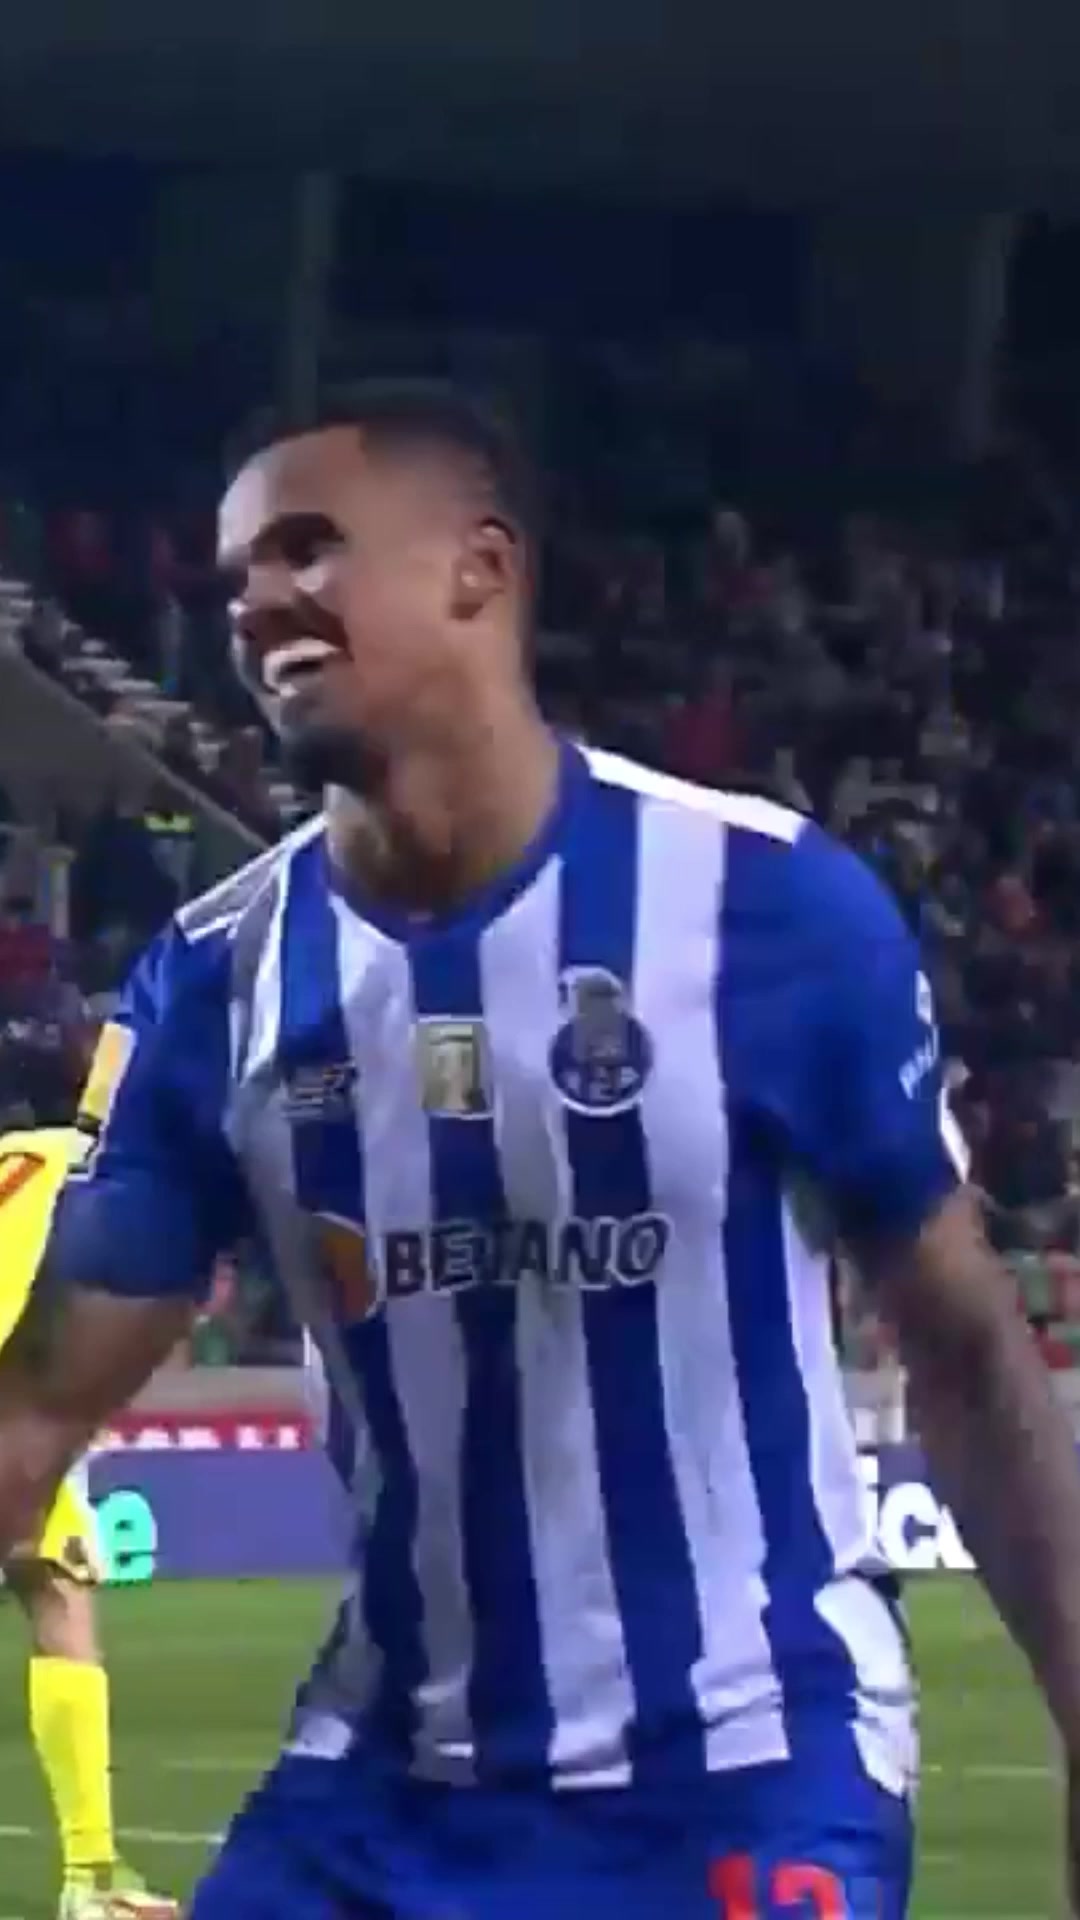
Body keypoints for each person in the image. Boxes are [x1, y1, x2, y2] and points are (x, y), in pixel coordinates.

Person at [2, 379, 1080, 1915]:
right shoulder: (218, 980)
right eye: (236, 573)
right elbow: (34, 1412)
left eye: (308, 547)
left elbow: (968, 1355)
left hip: (745, 1765)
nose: (255, 601)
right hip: (377, 1787)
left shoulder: (760, 904)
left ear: (480, 568)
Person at [0, 1120, 178, 1919]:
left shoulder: (30, 1160)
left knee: (59, 1592)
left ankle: (91, 1876)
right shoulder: (86, 1165)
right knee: (58, 1598)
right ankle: (89, 1876)